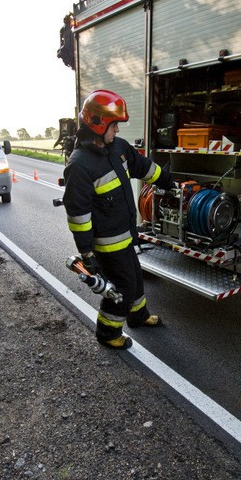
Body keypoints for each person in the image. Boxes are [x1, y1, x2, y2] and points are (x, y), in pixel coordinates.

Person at [62, 89, 173, 349]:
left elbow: (143, 167)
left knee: (135, 277)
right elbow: (78, 216)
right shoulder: (79, 165)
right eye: (114, 125)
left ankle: (138, 315)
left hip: (125, 235)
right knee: (122, 286)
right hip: (106, 244)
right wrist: (87, 254)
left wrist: (168, 181)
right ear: (98, 124)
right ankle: (108, 332)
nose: (117, 130)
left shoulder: (118, 148)